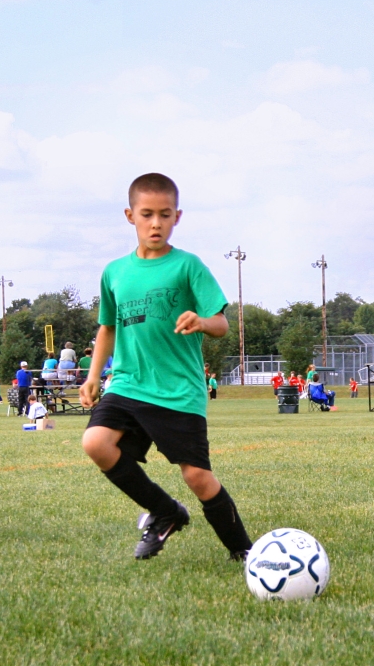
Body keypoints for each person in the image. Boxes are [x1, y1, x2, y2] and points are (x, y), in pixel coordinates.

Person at [79, 172, 253, 563]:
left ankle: (242, 550)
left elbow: (222, 324)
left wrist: (202, 321)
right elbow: (108, 328)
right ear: (130, 216)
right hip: (127, 383)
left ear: (177, 216)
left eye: (164, 214)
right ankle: (165, 512)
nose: (155, 223)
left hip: (177, 389)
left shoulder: (188, 266)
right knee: (96, 443)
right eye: (147, 214)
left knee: (196, 476)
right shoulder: (114, 272)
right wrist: (94, 376)